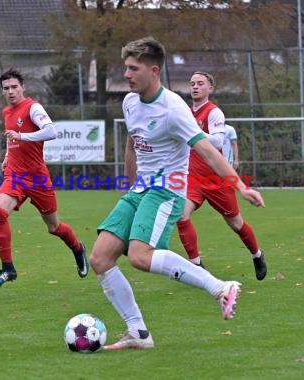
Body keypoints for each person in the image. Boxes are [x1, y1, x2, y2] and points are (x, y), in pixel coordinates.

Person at [88, 37, 265, 350]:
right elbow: (132, 143)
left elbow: (208, 151)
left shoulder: (173, 109)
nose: (126, 74)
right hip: (141, 189)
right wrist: (131, 184)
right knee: (100, 258)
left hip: (166, 190)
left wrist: (240, 185)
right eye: (125, 67)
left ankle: (221, 287)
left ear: (153, 71)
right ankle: (138, 334)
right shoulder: (130, 102)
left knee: (140, 257)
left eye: (133, 68)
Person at [0, 68, 88, 289]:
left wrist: (21, 136)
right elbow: (11, 137)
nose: (11, 92)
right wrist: (7, 155)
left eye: (15, 87)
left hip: (37, 178)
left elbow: (51, 131)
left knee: (54, 227)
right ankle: (8, 268)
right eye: (6, 88)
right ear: (2, 91)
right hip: (15, 175)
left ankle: (78, 248)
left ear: (23, 87)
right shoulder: (7, 112)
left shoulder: (33, 108)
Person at [176, 71, 267, 280]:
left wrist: (191, 132)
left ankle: (257, 254)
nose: (195, 87)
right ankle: (196, 264)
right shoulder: (185, 113)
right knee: (181, 215)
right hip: (192, 177)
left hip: (216, 177)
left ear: (210, 88)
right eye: (192, 83)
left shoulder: (214, 112)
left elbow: (217, 142)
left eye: (200, 83)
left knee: (236, 223)